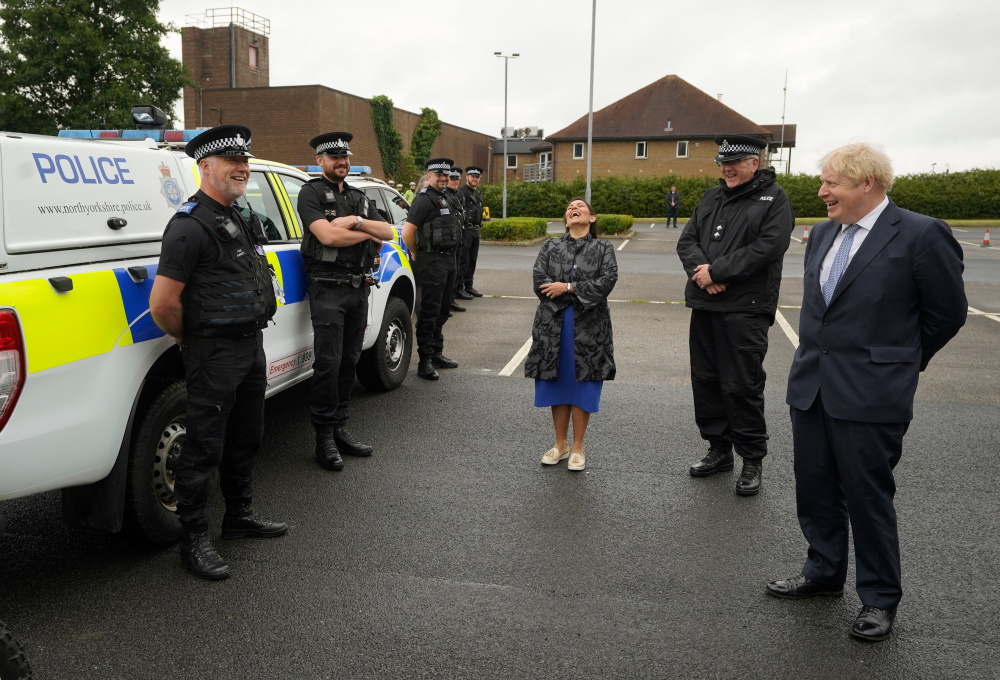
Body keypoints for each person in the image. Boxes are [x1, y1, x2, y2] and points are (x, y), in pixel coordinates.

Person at [767, 143, 967, 642]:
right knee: (814, 490)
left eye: (831, 182)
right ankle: (823, 571)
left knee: (867, 496)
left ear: (866, 184)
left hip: (873, 393)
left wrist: (900, 363)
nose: (822, 191)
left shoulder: (921, 234)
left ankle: (879, 599)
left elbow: (947, 314)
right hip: (812, 386)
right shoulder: (822, 235)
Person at [149, 124, 287, 581]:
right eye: (232, 162)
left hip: (250, 344)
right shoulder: (189, 227)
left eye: (244, 161)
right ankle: (193, 541)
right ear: (205, 167)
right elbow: (163, 304)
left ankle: (239, 516)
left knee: (248, 435)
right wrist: (189, 339)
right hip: (213, 350)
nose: (241, 168)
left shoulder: (240, 216)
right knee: (204, 445)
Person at [675, 135, 794, 496]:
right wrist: (703, 273)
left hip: (746, 309)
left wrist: (719, 271)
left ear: (754, 163)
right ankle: (719, 450)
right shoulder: (712, 197)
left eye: (735, 162)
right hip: (706, 304)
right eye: (722, 163)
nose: (727, 168)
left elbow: (768, 247)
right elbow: (687, 241)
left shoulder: (775, 199)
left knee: (742, 385)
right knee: (707, 380)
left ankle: (752, 459)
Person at [296, 132, 393, 471]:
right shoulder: (309, 193)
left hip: (358, 288)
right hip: (327, 289)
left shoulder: (357, 197)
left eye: (346, 157)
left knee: (350, 360)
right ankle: (323, 437)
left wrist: (356, 221)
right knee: (328, 363)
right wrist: (368, 231)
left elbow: (389, 233)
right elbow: (327, 236)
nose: (342, 162)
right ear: (321, 161)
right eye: (335, 157)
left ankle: (340, 427)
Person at [525, 198, 618, 472]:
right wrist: (560, 294)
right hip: (553, 323)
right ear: (566, 219)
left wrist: (568, 288)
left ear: (592, 218)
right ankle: (560, 444)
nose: (573, 208)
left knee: (583, 382)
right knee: (558, 380)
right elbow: (538, 278)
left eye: (580, 206)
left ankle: (578, 446)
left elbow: (608, 279)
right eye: (569, 207)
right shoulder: (550, 245)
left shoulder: (603, 247)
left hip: (589, 325)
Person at [402, 158, 463, 380]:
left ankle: (436, 352)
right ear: (429, 176)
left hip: (448, 261)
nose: (443, 178)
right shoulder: (424, 200)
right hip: (432, 261)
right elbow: (407, 232)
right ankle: (425, 361)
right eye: (439, 175)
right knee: (429, 312)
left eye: (446, 175)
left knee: (444, 309)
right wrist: (416, 252)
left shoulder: (444, 197)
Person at [457, 166, 485, 297]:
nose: (475, 179)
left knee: (472, 260)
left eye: (477, 177)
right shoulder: (461, 192)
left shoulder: (477, 193)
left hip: (475, 230)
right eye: (472, 176)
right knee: (464, 260)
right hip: (465, 230)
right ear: (467, 177)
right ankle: (459, 288)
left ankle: (469, 286)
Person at [444, 166, 468, 313]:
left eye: (457, 179)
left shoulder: (455, 195)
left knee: (457, 270)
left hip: (458, 240)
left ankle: (451, 300)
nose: (455, 181)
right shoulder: (445, 195)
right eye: (452, 178)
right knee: (449, 274)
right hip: (449, 242)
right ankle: (448, 302)